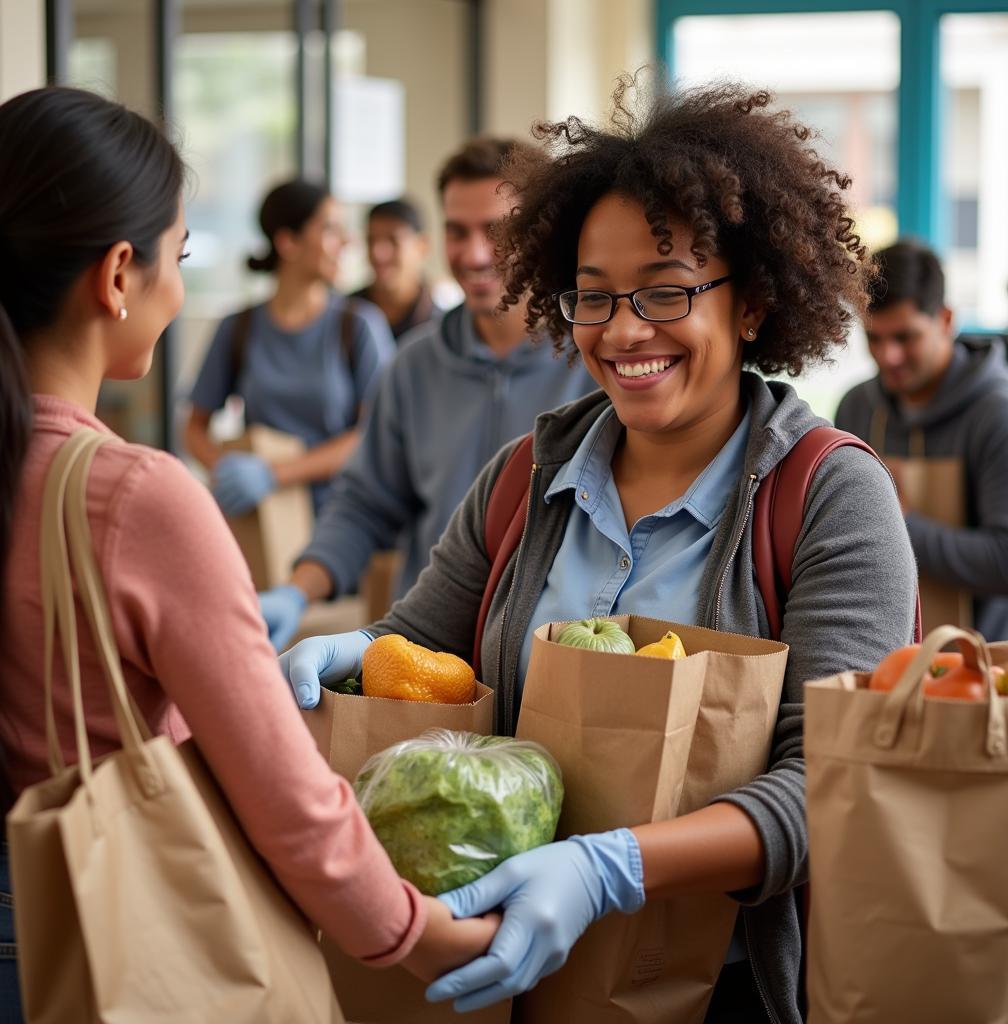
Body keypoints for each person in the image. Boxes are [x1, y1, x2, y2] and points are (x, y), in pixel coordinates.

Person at [284, 81, 919, 1022]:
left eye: (667, 291)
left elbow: (831, 787)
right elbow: (426, 650)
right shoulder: (522, 480)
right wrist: (350, 655)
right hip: (502, 977)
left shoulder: (828, 497)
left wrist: (607, 868)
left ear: (752, 303)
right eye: (592, 296)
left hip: (722, 991)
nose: (623, 331)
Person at [0, 86, 494, 1024]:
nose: (180, 288)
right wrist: (425, 936)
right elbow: (288, 803)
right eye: (179, 257)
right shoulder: (133, 499)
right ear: (119, 274)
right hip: (92, 920)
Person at [258, 136, 595, 653]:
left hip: (555, 658)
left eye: (498, 231)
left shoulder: (594, 363)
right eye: (457, 231)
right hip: (426, 656)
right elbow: (364, 504)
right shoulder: (412, 367)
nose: (474, 253)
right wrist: (295, 594)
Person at [184, 179, 394, 517]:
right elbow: (193, 428)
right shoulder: (238, 327)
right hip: (264, 522)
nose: (346, 242)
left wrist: (272, 475)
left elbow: (372, 436)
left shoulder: (358, 327)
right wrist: (226, 470)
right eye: (330, 229)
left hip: (342, 521)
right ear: (288, 242)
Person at [835, 240, 1008, 640]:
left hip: (979, 670)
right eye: (873, 339)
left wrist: (895, 520)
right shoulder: (857, 408)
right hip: (879, 658)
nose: (887, 356)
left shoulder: (995, 416)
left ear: (946, 319)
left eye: (905, 337)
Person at [350, 197, 439, 340]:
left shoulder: (440, 328)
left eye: (393, 240)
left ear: (422, 246)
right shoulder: (346, 316)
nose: (378, 253)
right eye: (371, 240)